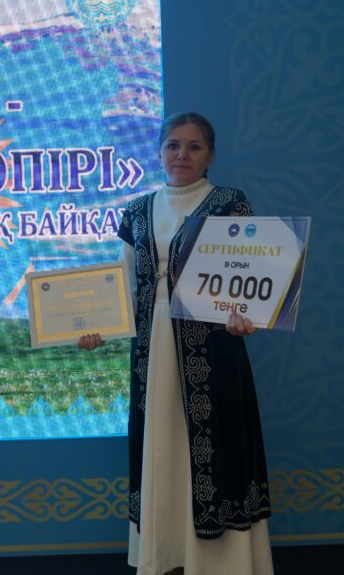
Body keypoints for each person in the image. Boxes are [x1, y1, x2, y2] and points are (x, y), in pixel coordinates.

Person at [78, 112, 273, 575]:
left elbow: (247, 281)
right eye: (173, 145)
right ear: (159, 151)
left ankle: (225, 563)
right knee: (161, 447)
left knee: (217, 448)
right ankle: (165, 554)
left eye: (194, 147)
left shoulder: (229, 205)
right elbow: (123, 287)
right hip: (154, 352)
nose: (182, 155)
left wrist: (248, 319)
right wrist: (95, 328)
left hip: (215, 353)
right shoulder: (137, 211)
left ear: (210, 155)